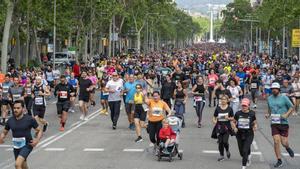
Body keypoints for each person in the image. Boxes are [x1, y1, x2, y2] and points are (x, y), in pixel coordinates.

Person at [0, 100, 43, 169]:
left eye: (18, 108)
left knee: (17, 164)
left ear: (23, 109)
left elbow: (39, 130)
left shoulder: (29, 119)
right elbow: (4, 132)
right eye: (14, 108)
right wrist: (1, 138)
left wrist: (37, 140)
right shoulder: (10, 120)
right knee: (23, 165)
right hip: (16, 146)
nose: (15, 110)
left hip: (27, 145)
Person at [265, 82, 295, 168]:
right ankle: (279, 160)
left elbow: (292, 107)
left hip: (284, 123)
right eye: (272, 89)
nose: (274, 90)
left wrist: (286, 115)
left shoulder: (284, 97)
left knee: (284, 142)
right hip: (274, 123)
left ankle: (287, 148)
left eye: (275, 89)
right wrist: (268, 114)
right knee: (276, 141)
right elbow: (269, 109)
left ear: (278, 89)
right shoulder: (269, 98)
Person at [232, 98, 257, 169]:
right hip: (239, 134)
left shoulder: (252, 113)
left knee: (245, 150)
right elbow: (233, 121)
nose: (244, 107)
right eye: (243, 105)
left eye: (245, 106)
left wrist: (255, 126)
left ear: (248, 106)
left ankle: (243, 166)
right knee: (241, 152)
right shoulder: (238, 113)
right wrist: (234, 128)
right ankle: (248, 155)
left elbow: (254, 122)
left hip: (249, 134)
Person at [212, 95, 234, 162]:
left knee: (225, 141)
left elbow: (233, 118)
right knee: (220, 142)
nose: (223, 101)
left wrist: (228, 118)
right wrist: (214, 121)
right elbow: (214, 117)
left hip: (226, 127)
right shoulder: (218, 108)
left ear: (227, 101)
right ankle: (221, 155)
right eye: (222, 99)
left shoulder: (230, 108)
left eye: (224, 99)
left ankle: (227, 150)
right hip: (219, 127)